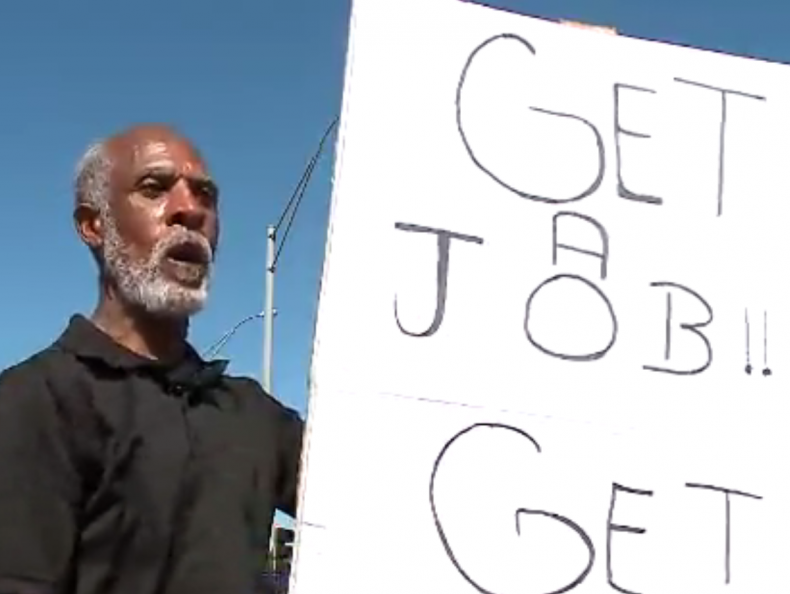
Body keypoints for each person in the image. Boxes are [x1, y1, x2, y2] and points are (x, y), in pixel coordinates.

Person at [0, 124, 304, 594]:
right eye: (154, 188)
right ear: (93, 225)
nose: (190, 210)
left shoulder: (256, 418)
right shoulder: (33, 404)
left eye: (205, 195)